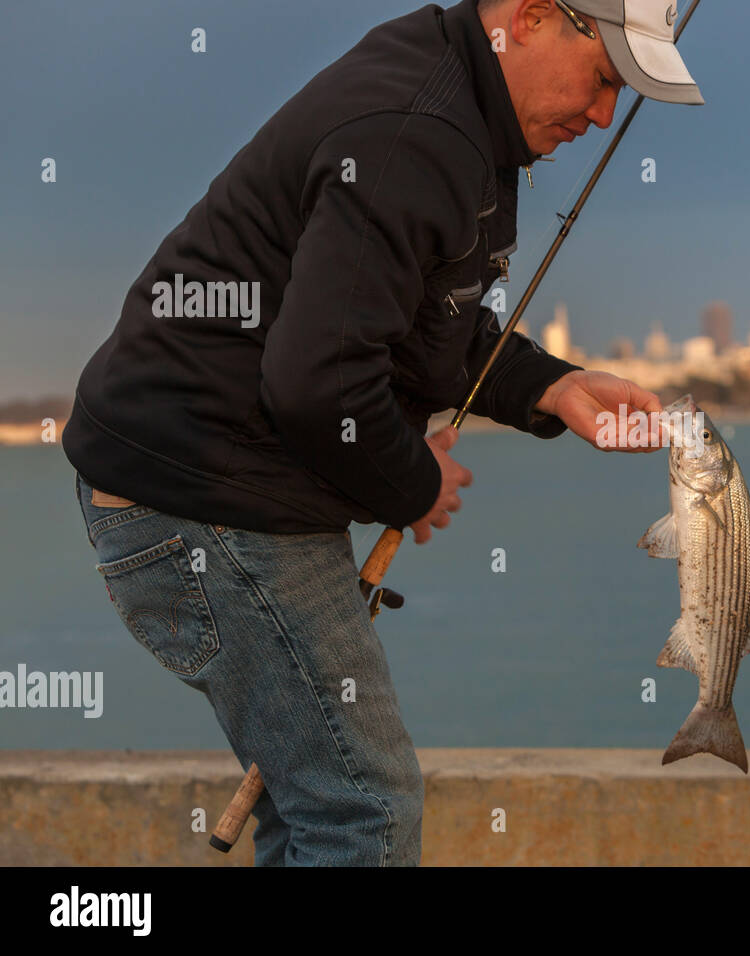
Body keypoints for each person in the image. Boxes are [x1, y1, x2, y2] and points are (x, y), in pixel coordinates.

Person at [61, 0, 704, 866]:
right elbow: (318, 381)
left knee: (319, 801)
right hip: (201, 500)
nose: (600, 118)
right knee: (363, 810)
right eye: (604, 82)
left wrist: (551, 388)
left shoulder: (452, 101)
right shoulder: (420, 131)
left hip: (203, 490)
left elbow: (413, 319)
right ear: (535, 16)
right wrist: (413, 483)